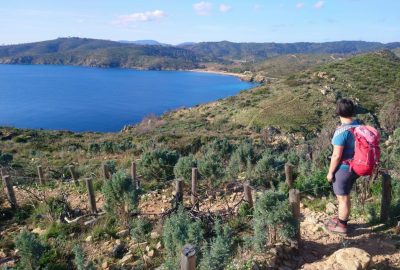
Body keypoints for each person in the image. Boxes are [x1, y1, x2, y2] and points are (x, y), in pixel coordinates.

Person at [325, 98, 360, 234]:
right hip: (355, 167)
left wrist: (330, 173)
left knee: (342, 198)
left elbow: (336, 156)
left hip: (344, 169)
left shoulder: (341, 132)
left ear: (338, 112)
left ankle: (342, 226)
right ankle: (342, 219)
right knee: (345, 196)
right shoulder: (358, 126)